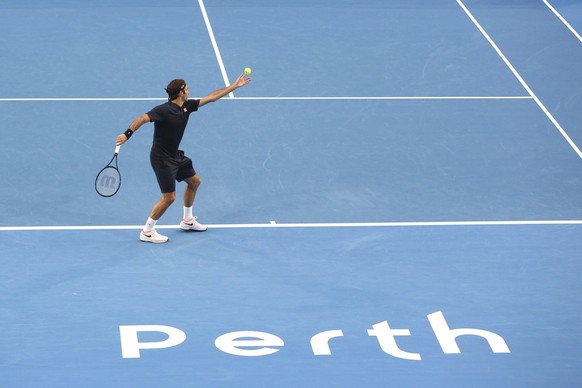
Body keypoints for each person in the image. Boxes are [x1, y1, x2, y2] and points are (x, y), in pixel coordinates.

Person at [116, 74, 252, 243]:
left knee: (194, 182)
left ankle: (187, 221)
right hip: (161, 159)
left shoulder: (187, 106)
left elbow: (211, 98)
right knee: (169, 197)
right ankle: (147, 231)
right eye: (187, 89)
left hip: (175, 155)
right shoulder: (163, 110)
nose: (189, 91)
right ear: (181, 92)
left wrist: (234, 86)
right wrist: (127, 134)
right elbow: (143, 118)